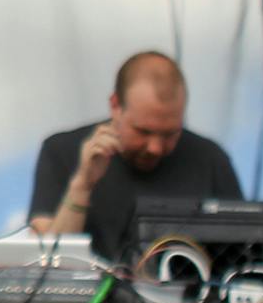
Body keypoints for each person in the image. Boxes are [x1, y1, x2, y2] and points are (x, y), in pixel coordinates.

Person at [28, 50, 242, 259]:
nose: (155, 148)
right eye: (143, 131)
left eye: (170, 133)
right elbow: (45, 265)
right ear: (115, 106)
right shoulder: (61, 152)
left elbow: (245, 258)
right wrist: (82, 185)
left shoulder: (211, 159)